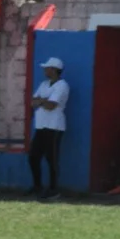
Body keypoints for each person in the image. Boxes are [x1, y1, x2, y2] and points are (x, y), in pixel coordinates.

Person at [29, 57, 70, 199]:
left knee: (51, 158)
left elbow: (52, 105)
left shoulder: (62, 85)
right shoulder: (44, 84)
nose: (45, 70)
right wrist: (42, 101)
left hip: (54, 126)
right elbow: (33, 102)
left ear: (54, 70)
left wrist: (41, 101)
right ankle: (37, 186)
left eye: (47, 68)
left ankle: (53, 189)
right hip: (41, 125)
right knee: (33, 156)